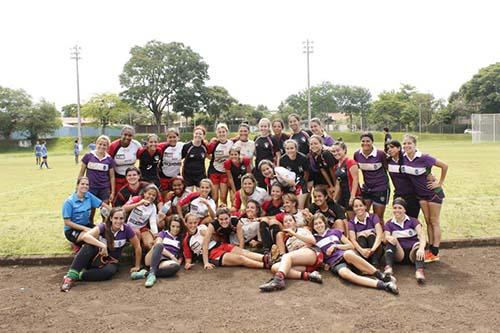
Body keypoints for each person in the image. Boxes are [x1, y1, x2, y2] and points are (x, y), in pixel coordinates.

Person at [311, 213, 398, 294]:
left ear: (324, 223)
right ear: (313, 226)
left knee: (348, 254)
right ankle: (384, 285)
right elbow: (316, 255)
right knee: (344, 273)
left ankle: (381, 276)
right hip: (334, 263)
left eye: (320, 222)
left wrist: (336, 246)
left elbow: (351, 245)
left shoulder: (335, 232)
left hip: (345, 255)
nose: (319, 225)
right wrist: (323, 265)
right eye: (316, 224)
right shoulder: (314, 239)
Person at [60, 207, 141, 292]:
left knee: (109, 272)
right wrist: (102, 245)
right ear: (110, 218)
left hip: (111, 261)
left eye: (121, 218)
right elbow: (85, 236)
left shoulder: (127, 229)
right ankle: (69, 278)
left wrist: (137, 265)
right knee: (88, 247)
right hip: (96, 256)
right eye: (115, 218)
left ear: (124, 219)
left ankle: (79, 275)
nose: (118, 221)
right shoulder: (104, 226)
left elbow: (137, 246)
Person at [402, 134, 448, 263]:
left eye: (409, 143)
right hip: (420, 195)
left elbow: (445, 165)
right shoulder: (403, 157)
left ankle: (435, 252)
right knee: (428, 221)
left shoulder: (424, 157)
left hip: (433, 193)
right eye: (404, 144)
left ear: (415, 145)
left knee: (434, 221)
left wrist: (439, 182)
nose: (406, 146)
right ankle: (431, 250)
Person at [259, 214, 322, 292]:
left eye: (290, 220)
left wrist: (294, 233)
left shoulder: (302, 230)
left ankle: (278, 280)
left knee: (287, 256)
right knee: (275, 267)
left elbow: (313, 241)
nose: (288, 222)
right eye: (285, 221)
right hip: (302, 263)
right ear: (284, 225)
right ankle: (309, 275)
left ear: (295, 223)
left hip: (311, 253)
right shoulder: (287, 239)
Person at [202, 208, 272, 270]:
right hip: (214, 249)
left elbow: (241, 239)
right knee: (241, 259)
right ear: (217, 219)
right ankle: (267, 265)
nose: (224, 221)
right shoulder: (213, 225)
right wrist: (206, 262)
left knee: (244, 253)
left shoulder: (235, 221)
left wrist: (240, 250)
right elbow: (205, 244)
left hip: (224, 244)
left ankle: (267, 258)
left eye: (226, 219)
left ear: (230, 217)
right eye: (221, 219)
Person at [383, 197, 427, 284]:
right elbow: (386, 237)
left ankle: (419, 271)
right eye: (395, 208)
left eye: (400, 208)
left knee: (418, 246)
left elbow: (422, 236)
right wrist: (389, 238)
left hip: (412, 254)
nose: (397, 210)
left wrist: (421, 248)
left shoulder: (413, 221)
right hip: (400, 254)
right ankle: (388, 267)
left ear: (404, 210)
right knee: (391, 242)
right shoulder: (389, 223)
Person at [133, 215, 184, 288]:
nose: (175, 229)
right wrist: (171, 256)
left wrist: (179, 261)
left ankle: (147, 274)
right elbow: (157, 245)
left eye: (178, 227)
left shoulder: (180, 239)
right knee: (159, 245)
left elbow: (181, 255)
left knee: (176, 267)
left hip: (164, 262)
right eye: (173, 226)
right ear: (169, 226)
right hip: (152, 257)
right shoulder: (163, 233)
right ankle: (152, 274)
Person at [62, 177, 111, 248]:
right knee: (91, 238)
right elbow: (67, 222)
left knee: (105, 233)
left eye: (87, 184)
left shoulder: (89, 195)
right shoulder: (69, 202)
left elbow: (102, 204)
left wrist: (114, 212)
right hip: (72, 230)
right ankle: (76, 244)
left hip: (86, 225)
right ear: (77, 185)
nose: (85, 186)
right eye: (82, 184)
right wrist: (84, 229)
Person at [353, 132, 389, 223]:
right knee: (363, 214)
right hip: (367, 188)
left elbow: (388, 168)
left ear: (372, 142)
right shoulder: (357, 155)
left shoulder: (380, 154)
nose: (365, 143)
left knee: (378, 217)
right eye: (363, 141)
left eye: (368, 141)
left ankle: (381, 236)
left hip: (380, 188)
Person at [79, 135, 115, 224]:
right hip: (91, 188)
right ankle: (90, 228)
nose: (102, 146)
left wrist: (113, 192)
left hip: (104, 188)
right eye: (100, 144)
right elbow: (81, 173)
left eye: (104, 145)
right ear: (96, 144)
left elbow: (112, 176)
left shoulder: (109, 159)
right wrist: (78, 186)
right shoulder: (88, 156)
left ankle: (104, 230)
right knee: (91, 211)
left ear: (107, 146)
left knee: (105, 211)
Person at [386, 140, 420, 218]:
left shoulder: (407, 159)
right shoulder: (388, 161)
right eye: (388, 148)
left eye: (392, 147)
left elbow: (422, 164)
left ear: (399, 148)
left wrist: (430, 175)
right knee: (399, 218)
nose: (389, 150)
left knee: (412, 219)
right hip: (398, 194)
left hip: (412, 195)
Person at [122, 184, 161, 252]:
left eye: (153, 195)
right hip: (130, 225)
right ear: (144, 193)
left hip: (142, 227)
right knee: (136, 233)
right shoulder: (136, 199)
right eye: (149, 194)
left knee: (149, 244)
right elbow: (123, 209)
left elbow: (152, 222)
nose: (151, 196)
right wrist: (139, 203)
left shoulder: (153, 207)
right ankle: (134, 253)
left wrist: (155, 234)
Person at [347, 197, 384, 267]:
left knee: (371, 236)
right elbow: (353, 240)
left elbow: (379, 234)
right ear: (353, 209)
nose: (358, 208)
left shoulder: (373, 217)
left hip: (375, 249)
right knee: (361, 238)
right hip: (362, 250)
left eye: (361, 205)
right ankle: (365, 265)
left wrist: (372, 250)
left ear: (365, 206)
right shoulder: (351, 223)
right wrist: (362, 251)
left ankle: (374, 264)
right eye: (356, 206)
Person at [108, 125, 142, 193]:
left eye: (130, 135)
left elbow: (143, 158)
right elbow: (108, 163)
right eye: (125, 135)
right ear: (121, 134)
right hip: (117, 178)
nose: (127, 137)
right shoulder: (113, 146)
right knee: (117, 201)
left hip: (132, 179)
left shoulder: (136, 145)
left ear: (133, 136)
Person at [332, 141, 361, 219]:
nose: (335, 153)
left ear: (344, 150)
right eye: (333, 151)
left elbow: (355, 179)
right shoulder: (336, 166)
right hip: (342, 195)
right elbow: (338, 182)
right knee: (341, 217)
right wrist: (335, 198)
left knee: (352, 219)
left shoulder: (350, 162)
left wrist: (352, 196)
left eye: (338, 150)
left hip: (350, 194)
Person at [279, 139, 310, 209]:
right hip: (289, 184)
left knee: (300, 206)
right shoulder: (282, 159)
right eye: (287, 148)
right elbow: (283, 174)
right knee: (290, 207)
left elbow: (306, 173)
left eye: (292, 148)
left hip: (301, 183)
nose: (290, 150)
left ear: (296, 148)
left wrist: (304, 184)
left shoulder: (303, 158)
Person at [207, 123, 233, 206]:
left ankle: (224, 213)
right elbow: (206, 153)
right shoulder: (213, 144)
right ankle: (215, 215)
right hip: (214, 172)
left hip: (225, 173)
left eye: (223, 131)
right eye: (219, 132)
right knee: (214, 197)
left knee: (223, 197)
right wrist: (213, 159)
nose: (221, 134)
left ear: (227, 132)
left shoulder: (231, 143)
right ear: (217, 133)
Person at [254, 118, 280, 187]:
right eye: (261, 126)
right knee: (261, 187)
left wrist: (277, 167)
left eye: (265, 126)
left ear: (268, 127)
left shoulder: (272, 138)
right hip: (259, 168)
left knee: (271, 186)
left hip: (269, 168)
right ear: (259, 127)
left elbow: (278, 154)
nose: (263, 128)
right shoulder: (256, 138)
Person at [158, 128, 184, 196]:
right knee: (166, 198)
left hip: (177, 178)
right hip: (164, 177)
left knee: (177, 198)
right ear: (166, 138)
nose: (172, 139)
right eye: (170, 137)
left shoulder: (182, 146)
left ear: (178, 137)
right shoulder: (161, 147)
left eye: (174, 137)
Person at [181, 126, 208, 191]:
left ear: (203, 136)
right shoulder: (187, 146)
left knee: (200, 195)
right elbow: (181, 159)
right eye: (196, 133)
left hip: (200, 175)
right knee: (188, 196)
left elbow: (208, 156)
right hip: (188, 176)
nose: (198, 135)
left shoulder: (204, 147)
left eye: (200, 134)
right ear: (193, 134)